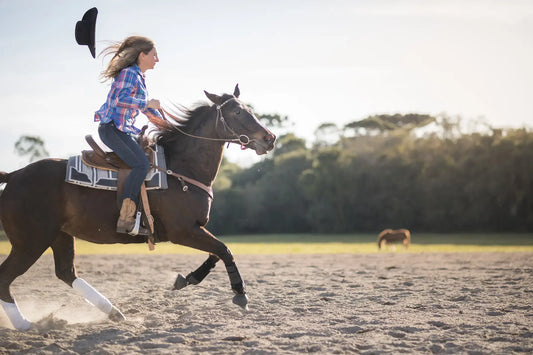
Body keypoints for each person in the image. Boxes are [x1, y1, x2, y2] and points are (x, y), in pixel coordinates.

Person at [94, 35, 162, 235]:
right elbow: (120, 100)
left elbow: (148, 112)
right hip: (112, 128)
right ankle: (125, 218)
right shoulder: (129, 74)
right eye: (154, 55)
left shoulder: (139, 77)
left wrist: (167, 126)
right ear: (142, 55)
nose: (157, 60)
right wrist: (147, 103)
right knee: (141, 164)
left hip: (123, 130)